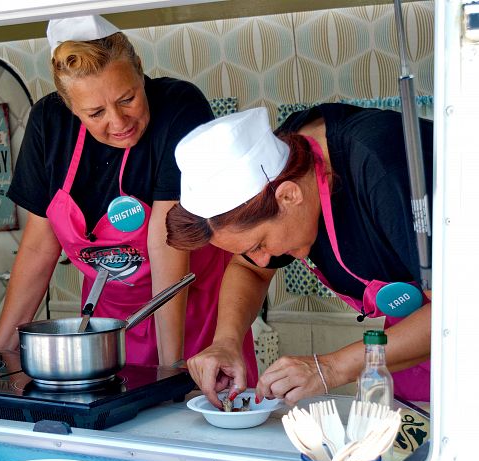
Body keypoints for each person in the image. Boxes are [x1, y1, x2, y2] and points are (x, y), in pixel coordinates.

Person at [0, 14, 257, 383]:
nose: (118, 122)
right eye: (95, 113)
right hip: (109, 326)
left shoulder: (179, 106)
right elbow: (38, 249)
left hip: (191, 312)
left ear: (140, 70)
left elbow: (167, 243)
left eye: (127, 98)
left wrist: (171, 368)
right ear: (68, 105)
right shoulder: (47, 124)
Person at [166, 104, 432, 407]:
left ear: (290, 195)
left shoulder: (384, 166)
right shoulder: (281, 166)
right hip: (411, 334)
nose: (263, 259)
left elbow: (459, 309)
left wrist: (330, 368)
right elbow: (249, 269)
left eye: (259, 244)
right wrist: (226, 342)